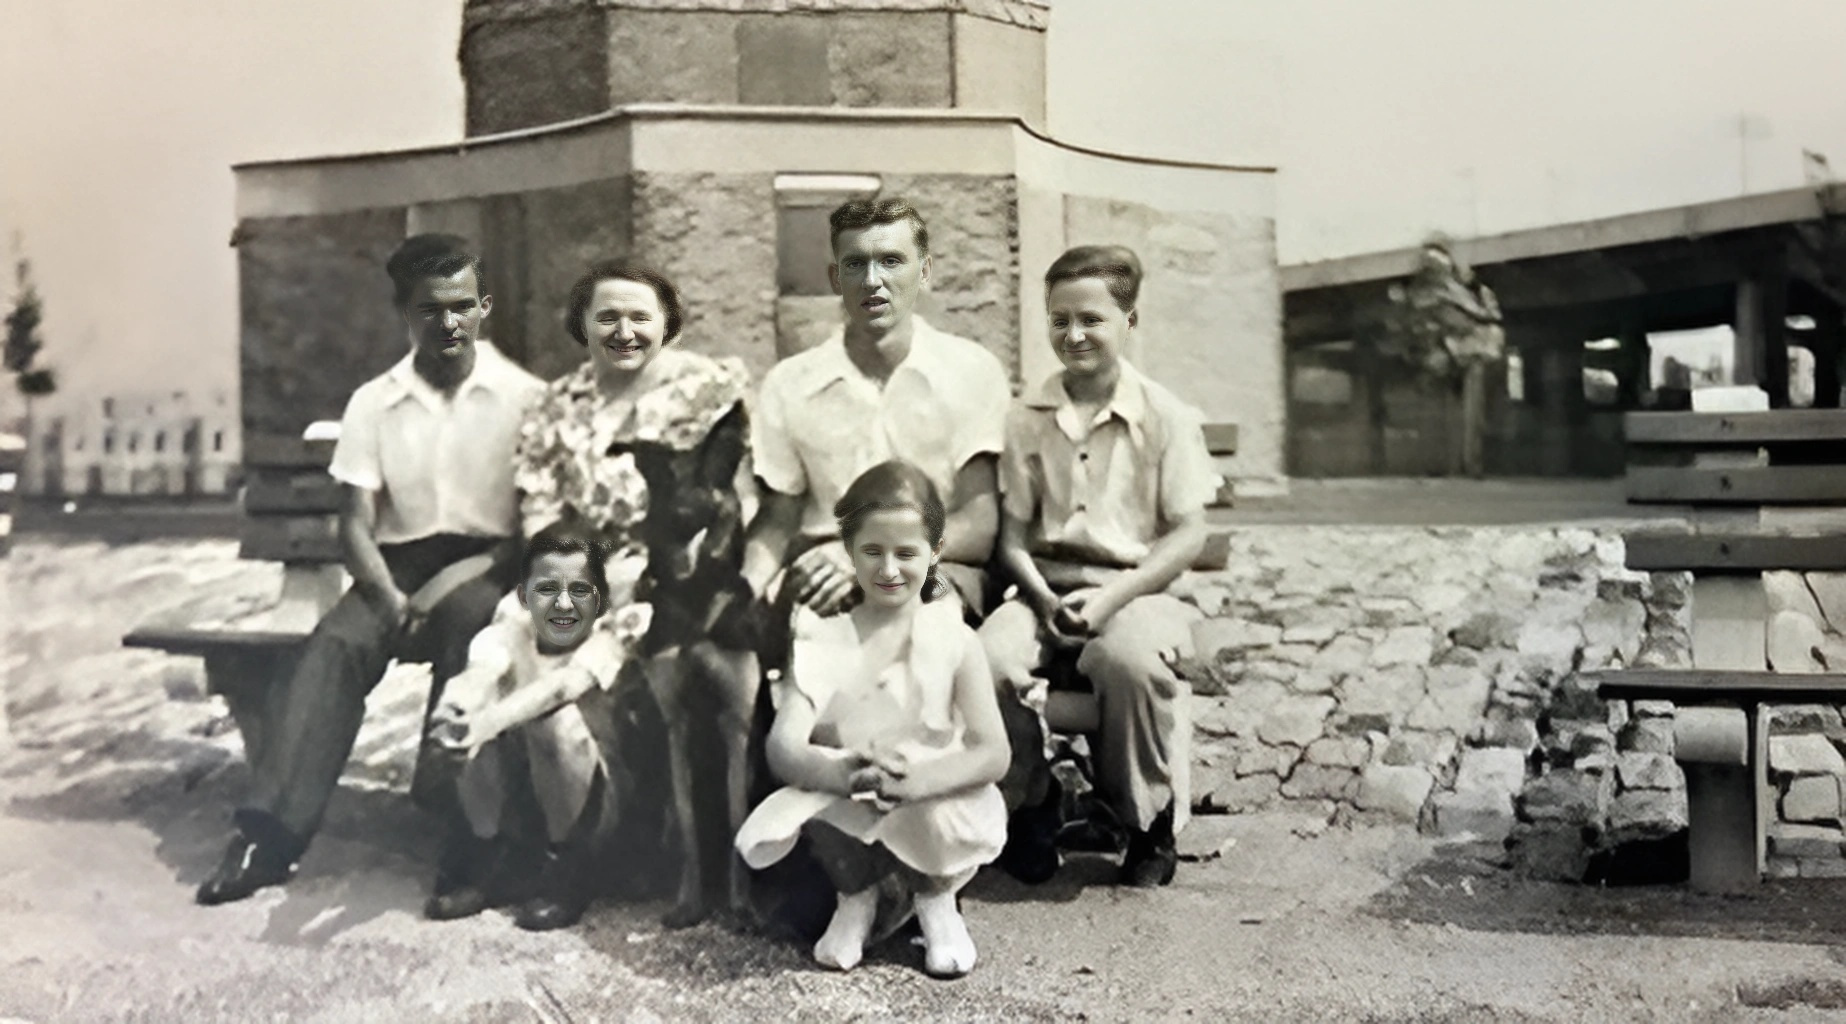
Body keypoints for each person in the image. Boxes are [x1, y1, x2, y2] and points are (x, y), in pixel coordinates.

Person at [197, 234, 545, 906]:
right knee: (332, 648)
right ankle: (270, 838)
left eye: (462, 306)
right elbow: (354, 522)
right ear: (404, 314)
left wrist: (449, 586)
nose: (447, 323)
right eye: (429, 309)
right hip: (396, 566)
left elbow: (530, 524)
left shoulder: (525, 398)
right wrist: (387, 598)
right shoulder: (373, 403)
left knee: (472, 636)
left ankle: (473, 843)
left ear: (485, 307)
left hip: (490, 563)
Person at [507, 260, 756, 928]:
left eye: (640, 316)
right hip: (582, 573)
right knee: (532, 649)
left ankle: (666, 847)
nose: (624, 330)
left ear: (666, 322)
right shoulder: (555, 405)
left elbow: (737, 498)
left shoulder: (708, 389)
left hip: (683, 581)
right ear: (581, 323)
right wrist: (574, 586)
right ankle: (572, 855)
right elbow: (539, 512)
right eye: (607, 316)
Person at [979, 245, 1219, 889]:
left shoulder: (1164, 416)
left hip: (1136, 589)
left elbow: (1189, 533)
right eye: (1059, 321)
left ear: (1129, 321)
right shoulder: (1028, 416)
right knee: (986, 660)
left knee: (1129, 661)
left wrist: (1112, 601)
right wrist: (1039, 595)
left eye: (1092, 319)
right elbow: (1014, 539)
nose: (1074, 335)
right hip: (1043, 590)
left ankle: (1143, 818)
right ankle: (1031, 799)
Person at [735, 460, 1010, 978]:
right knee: (809, 805)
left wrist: (919, 781)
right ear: (848, 552)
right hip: (855, 789)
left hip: (931, 797)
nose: (889, 570)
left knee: (932, 811)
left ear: (936, 553)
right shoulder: (824, 637)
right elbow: (784, 746)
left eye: (907, 554)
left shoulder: (954, 639)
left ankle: (936, 903)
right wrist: (840, 772)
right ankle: (855, 899)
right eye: (872, 552)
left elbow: (992, 751)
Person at [741, 196, 1012, 636]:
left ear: (924, 272)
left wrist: (866, 559)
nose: (872, 281)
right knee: (806, 650)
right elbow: (777, 520)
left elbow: (979, 527)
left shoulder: (971, 372)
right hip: (825, 576)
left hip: (936, 570)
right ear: (835, 278)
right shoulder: (788, 384)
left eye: (891, 261)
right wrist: (742, 592)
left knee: (925, 628)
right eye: (855, 265)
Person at [425, 519, 649, 930]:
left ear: (599, 601)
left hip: (602, 807)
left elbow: (562, 688)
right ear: (525, 596)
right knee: (470, 714)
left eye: (579, 591)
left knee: (554, 722)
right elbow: (480, 672)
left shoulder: (615, 631)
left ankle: (569, 869)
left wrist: (487, 724)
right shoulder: (511, 626)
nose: (563, 604)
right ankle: (491, 855)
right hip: (529, 792)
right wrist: (454, 711)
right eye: (547, 590)